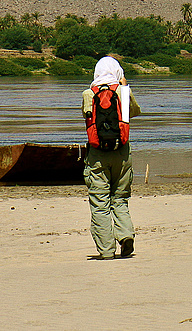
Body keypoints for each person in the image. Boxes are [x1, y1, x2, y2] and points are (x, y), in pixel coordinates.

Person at [82, 56, 142, 260]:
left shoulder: (88, 94)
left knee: (100, 203)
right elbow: (133, 113)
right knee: (120, 198)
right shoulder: (123, 92)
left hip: (97, 154)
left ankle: (107, 250)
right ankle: (125, 236)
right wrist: (124, 87)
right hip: (123, 153)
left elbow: (87, 118)